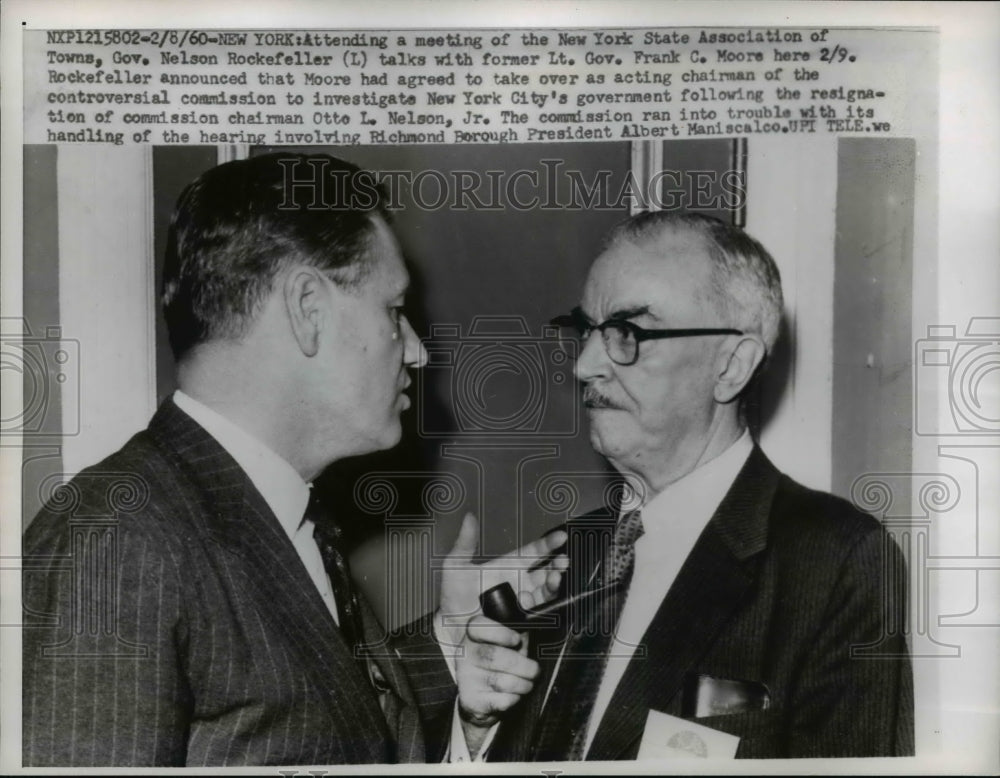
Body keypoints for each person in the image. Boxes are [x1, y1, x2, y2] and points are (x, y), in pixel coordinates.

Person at [22, 153, 564, 766]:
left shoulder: (278, 514)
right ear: (308, 309)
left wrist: (446, 644)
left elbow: (310, 715)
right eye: (393, 311)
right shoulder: (114, 538)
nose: (416, 350)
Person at [459, 210, 914, 760]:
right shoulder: (568, 557)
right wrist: (478, 730)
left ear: (731, 366)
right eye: (588, 330)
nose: (584, 365)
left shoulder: (835, 561)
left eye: (628, 333)